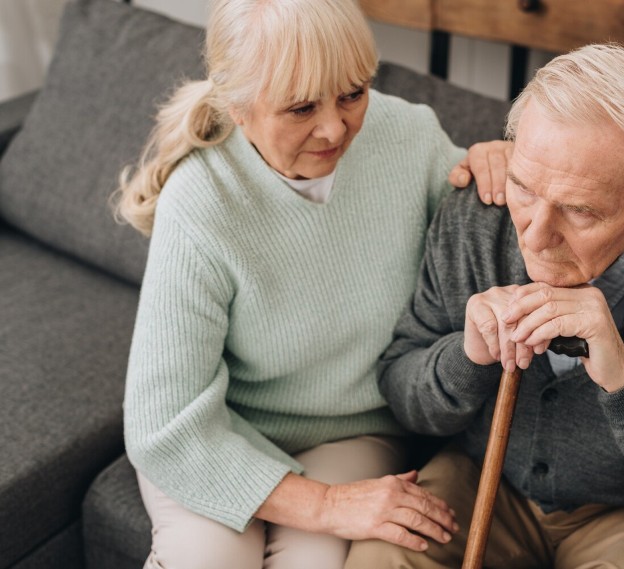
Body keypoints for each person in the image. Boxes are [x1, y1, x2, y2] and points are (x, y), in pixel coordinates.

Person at [345, 43, 624, 569]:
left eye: (579, 210)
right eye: (525, 188)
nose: (534, 235)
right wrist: (467, 358)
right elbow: (402, 394)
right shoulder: (477, 216)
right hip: (486, 477)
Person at [116, 1, 507, 567]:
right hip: (219, 431)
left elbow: (484, 228)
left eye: (353, 93)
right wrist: (325, 505)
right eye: (301, 107)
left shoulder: (407, 136)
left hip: (352, 432)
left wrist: (503, 164)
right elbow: (165, 427)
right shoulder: (201, 200)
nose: (334, 128)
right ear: (237, 107)